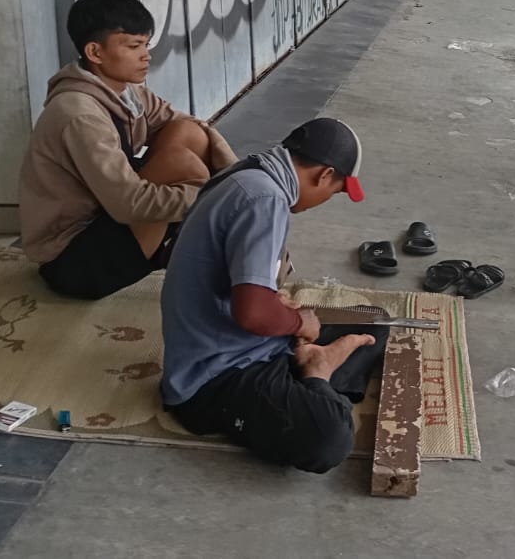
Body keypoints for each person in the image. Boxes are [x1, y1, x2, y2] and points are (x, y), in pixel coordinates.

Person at [160, 117, 382, 474]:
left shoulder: (247, 175)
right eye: (334, 192)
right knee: (330, 437)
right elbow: (252, 314)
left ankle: (311, 373)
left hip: (251, 344)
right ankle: (317, 374)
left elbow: (239, 282)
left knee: (374, 326)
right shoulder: (266, 199)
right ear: (324, 175)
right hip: (215, 376)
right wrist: (296, 321)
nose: (325, 200)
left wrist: (274, 302)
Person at [19, 0, 236, 300]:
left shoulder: (125, 93)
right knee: (182, 165)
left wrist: (235, 176)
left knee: (188, 134)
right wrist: (215, 198)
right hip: (73, 261)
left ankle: (204, 237)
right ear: (95, 52)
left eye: (146, 44)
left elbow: (190, 125)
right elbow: (127, 204)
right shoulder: (79, 114)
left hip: (106, 219)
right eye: (134, 46)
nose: (146, 55)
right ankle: (213, 245)